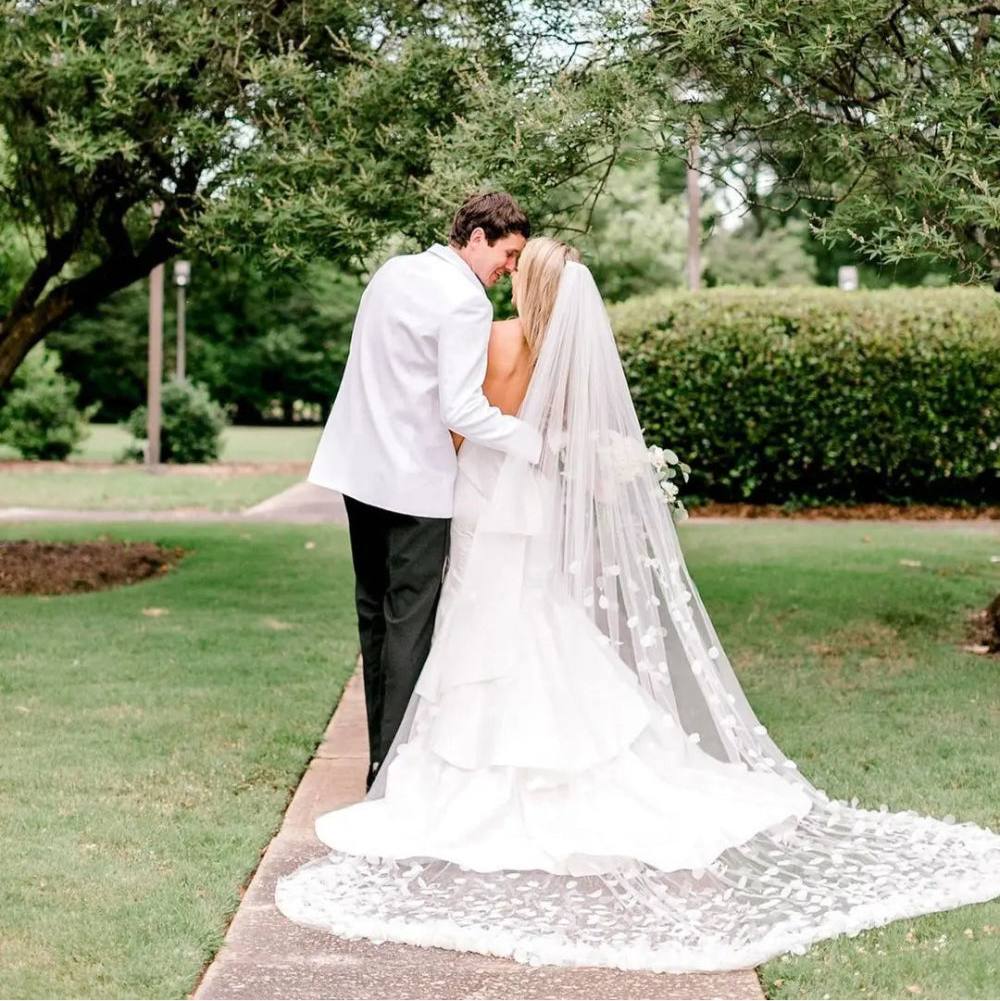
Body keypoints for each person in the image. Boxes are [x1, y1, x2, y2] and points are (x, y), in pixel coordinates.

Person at [277, 238, 1000, 972]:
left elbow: (460, 421)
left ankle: (425, 766)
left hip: (479, 495)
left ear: (523, 283)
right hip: (528, 503)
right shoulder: (565, 356)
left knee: (471, 619)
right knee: (533, 617)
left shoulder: (493, 336)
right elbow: (565, 442)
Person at [308, 193, 542, 791]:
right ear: (479, 237)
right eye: (508, 254)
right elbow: (460, 407)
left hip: (358, 474)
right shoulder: (465, 302)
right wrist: (530, 439)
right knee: (409, 622)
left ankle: (380, 761)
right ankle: (394, 771)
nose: (509, 270)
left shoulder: (393, 272)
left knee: (374, 617)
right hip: (414, 488)